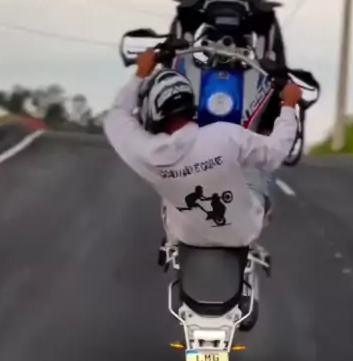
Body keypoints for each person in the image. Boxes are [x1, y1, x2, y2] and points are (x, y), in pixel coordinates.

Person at [104, 49, 301, 250]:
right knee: (254, 169)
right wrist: (288, 105)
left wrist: (140, 73)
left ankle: (172, 247)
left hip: (185, 236)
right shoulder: (226, 135)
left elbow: (117, 115)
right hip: (243, 233)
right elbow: (276, 152)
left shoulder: (146, 154)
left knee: (168, 198)